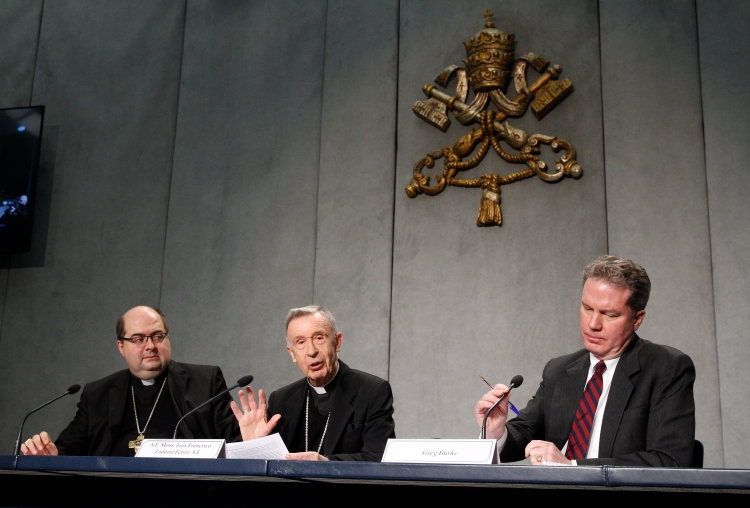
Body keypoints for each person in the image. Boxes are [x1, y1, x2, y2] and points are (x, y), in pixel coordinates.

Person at [475, 255, 696, 466]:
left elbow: (669, 460)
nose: (593, 324)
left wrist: (573, 466)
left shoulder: (666, 368)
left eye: (609, 314)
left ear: (637, 319)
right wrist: (496, 433)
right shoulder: (559, 371)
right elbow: (525, 432)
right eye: (587, 309)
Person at [20, 306, 240, 456]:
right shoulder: (98, 394)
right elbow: (70, 446)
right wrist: (51, 453)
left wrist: (252, 441)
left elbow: (235, 444)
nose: (150, 346)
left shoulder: (205, 382)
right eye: (138, 339)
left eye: (157, 336)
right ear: (121, 347)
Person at [232, 305, 395, 461]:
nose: (311, 351)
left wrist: (326, 463)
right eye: (300, 342)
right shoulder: (280, 401)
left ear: (337, 342)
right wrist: (255, 446)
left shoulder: (372, 392)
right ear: (292, 353)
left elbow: (379, 457)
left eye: (319, 338)